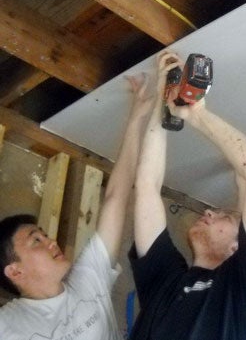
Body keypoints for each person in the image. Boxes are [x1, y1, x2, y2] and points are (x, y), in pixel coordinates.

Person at [128, 51, 246, 340]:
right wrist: (164, 92)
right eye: (219, 212)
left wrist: (194, 113)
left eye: (222, 216)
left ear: (238, 248)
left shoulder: (242, 293)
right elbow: (148, 185)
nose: (209, 212)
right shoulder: (167, 279)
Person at [0, 73, 154, 339]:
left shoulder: (88, 278)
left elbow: (116, 198)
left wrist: (137, 117)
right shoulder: (8, 324)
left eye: (44, 235)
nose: (51, 242)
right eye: (36, 240)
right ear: (15, 271)